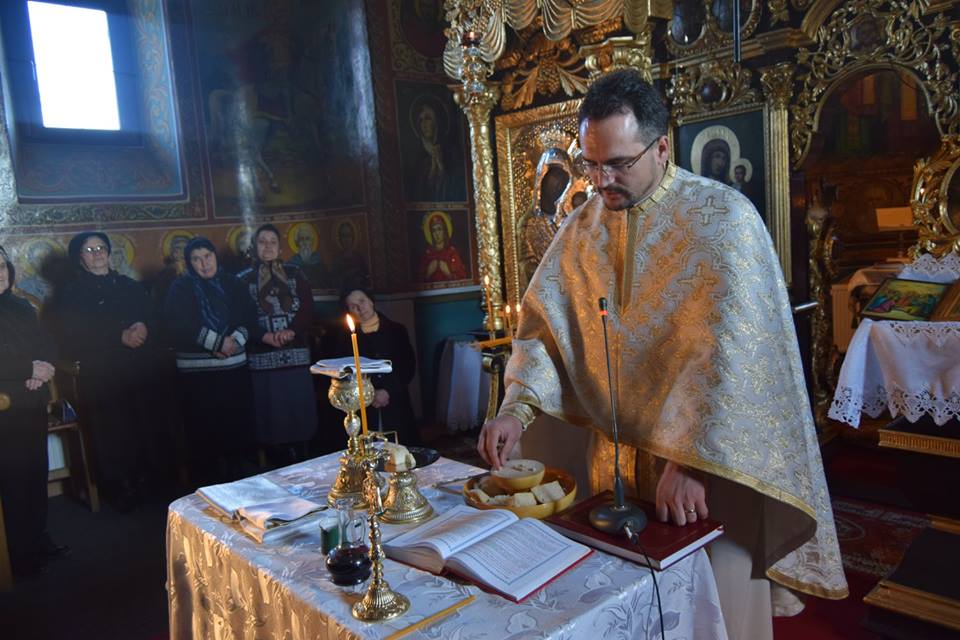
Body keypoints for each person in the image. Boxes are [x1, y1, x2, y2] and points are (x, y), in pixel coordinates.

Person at [477, 70, 847, 640]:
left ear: (662, 147)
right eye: (592, 165)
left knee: (712, 612)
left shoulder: (725, 222)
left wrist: (692, 461)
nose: (603, 181)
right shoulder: (581, 228)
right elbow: (547, 331)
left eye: (620, 163)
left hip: (706, 474)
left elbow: (736, 359)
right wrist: (516, 408)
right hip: (613, 468)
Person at [47, 232, 169, 511]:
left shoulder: (128, 285)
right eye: (90, 250)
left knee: (146, 426)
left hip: (140, 372)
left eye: (101, 248)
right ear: (80, 257)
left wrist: (144, 326)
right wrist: (119, 336)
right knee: (114, 434)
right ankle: (121, 486)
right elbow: (73, 334)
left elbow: (151, 314)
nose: (97, 253)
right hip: (105, 376)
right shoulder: (72, 294)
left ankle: (150, 480)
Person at [163, 237, 262, 486]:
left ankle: (239, 482)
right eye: (197, 259)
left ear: (215, 257)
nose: (204, 264)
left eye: (207, 256)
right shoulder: (180, 288)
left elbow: (249, 316)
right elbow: (177, 325)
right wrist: (216, 343)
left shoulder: (233, 283)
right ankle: (207, 490)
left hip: (233, 370)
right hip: (198, 377)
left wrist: (233, 341)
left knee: (236, 428)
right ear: (189, 263)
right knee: (204, 435)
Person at [0, 245, 66, 577]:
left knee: (35, 472)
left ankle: (39, 538)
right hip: (4, 409)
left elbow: (46, 344)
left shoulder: (22, 307)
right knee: (12, 480)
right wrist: (29, 368)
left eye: (1, 266)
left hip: (31, 400)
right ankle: (18, 551)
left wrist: (45, 368)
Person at [238, 224, 318, 466]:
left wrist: (291, 330)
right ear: (254, 247)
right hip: (262, 357)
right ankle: (276, 460)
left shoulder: (296, 273)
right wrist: (264, 336)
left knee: (298, 407)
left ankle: (303, 456)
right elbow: (242, 315)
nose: (268, 246)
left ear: (280, 247)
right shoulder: (242, 279)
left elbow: (306, 307)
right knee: (271, 413)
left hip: (295, 354)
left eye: (273, 242)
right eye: (262, 242)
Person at [323, 286, 419, 446]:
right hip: (362, 403)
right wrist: (371, 394)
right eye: (353, 306)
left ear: (371, 301)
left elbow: (407, 366)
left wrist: (387, 390)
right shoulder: (344, 337)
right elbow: (343, 371)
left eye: (362, 301)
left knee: (399, 448)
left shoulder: (397, 330)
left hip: (394, 398)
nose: (360, 308)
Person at [419, 212, 467, 282]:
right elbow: (418, 280)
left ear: (444, 231)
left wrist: (448, 274)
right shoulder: (427, 254)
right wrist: (428, 273)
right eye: (434, 230)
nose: (437, 233)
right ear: (431, 234)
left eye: (439, 229)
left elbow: (463, 277)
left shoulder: (452, 252)